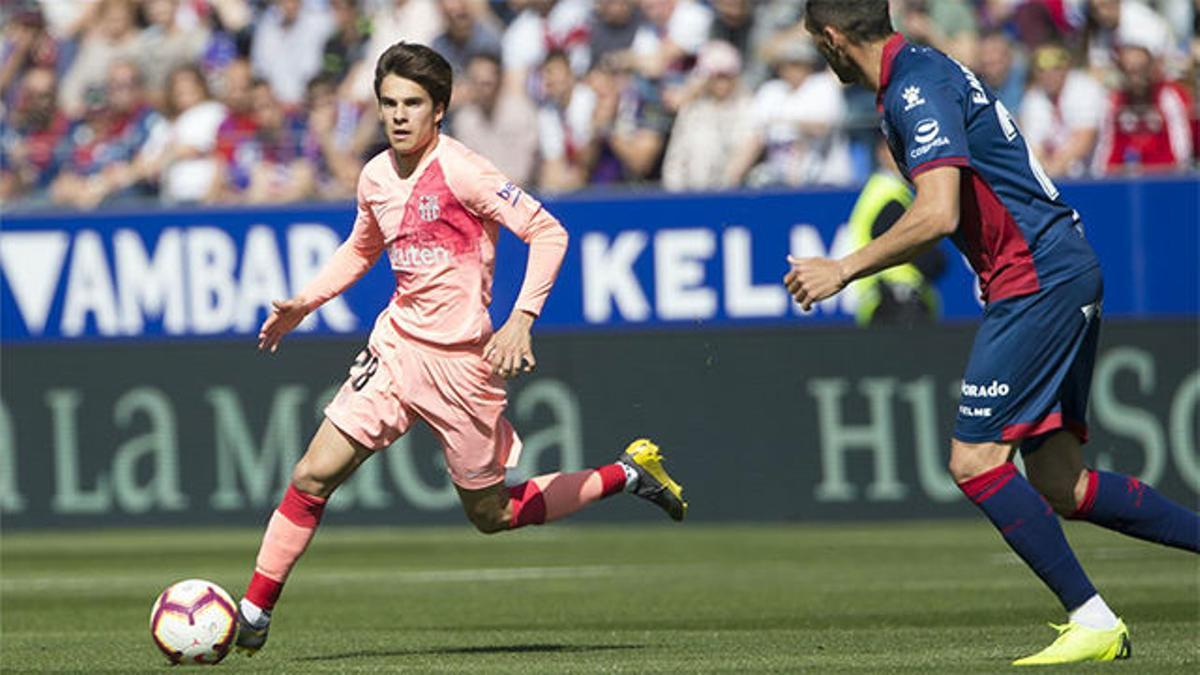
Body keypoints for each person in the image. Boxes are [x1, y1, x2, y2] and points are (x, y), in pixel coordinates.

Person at [233, 42, 686, 656]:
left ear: (438, 109)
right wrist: (304, 301)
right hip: (395, 349)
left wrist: (521, 319)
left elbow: (548, 232)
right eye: (389, 103)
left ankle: (627, 474)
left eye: (412, 104)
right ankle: (255, 611)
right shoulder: (374, 176)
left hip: (462, 368)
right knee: (312, 474)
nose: (398, 116)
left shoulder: (464, 171)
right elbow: (362, 249)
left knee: (490, 514)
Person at [788, 1, 1199, 666]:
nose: (819, 54)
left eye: (816, 42)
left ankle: (1093, 618)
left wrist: (844, 266)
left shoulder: (914, 85)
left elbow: (938, 210)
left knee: (974, 459)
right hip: (1052, 269)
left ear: (832, 38)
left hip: (1037, 278)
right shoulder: (920, 72)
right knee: (1062, 483)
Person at [1020, 44, 1107, 178]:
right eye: (1042, 70)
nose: (1049, 75)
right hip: (1055, 175)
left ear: (1066, 69)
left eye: (1056, 69)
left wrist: (1053, 170)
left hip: (1095, 174)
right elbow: (1033, 147)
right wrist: (1045, 172)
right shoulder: (1033, 98)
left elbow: (1085, 139)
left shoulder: (1085, 88)